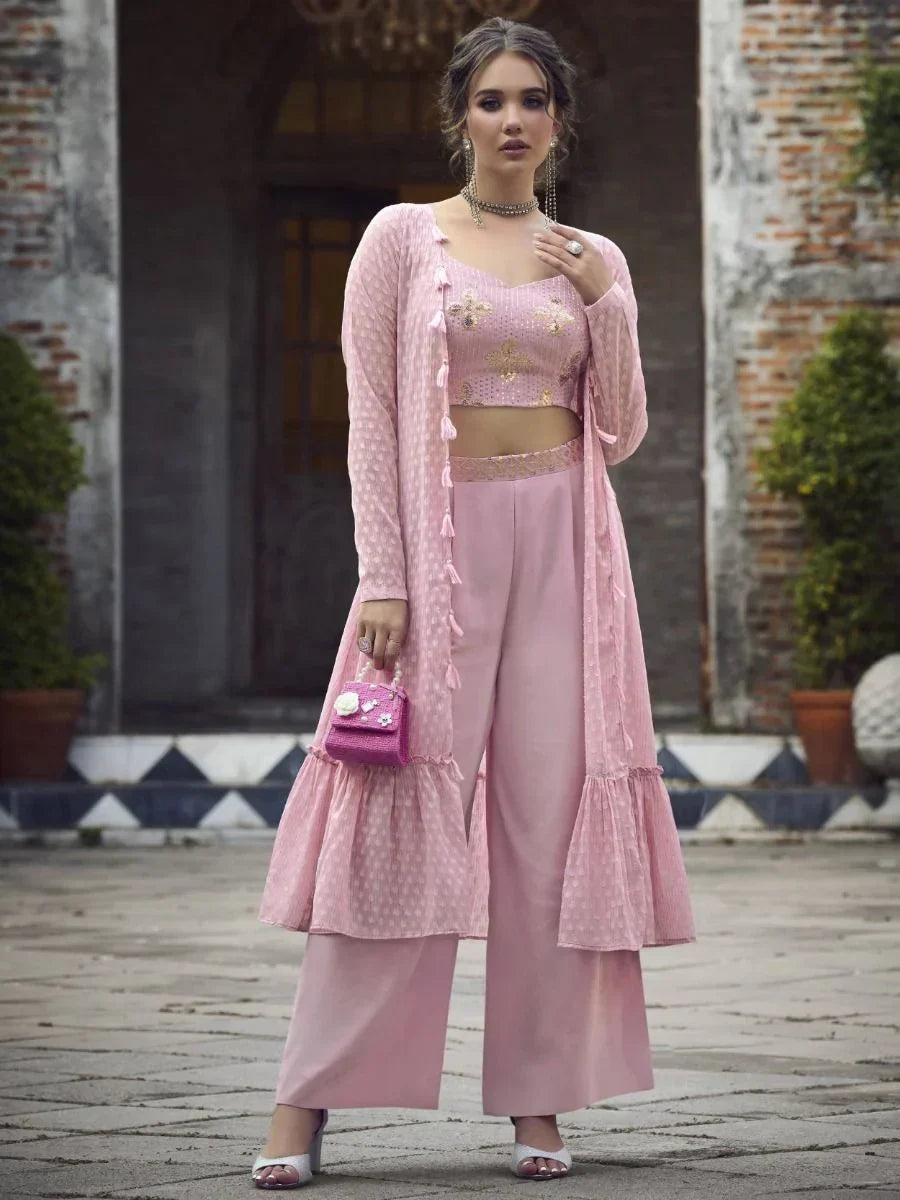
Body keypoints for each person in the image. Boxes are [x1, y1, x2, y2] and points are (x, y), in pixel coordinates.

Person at [251, 16, 696, 1189]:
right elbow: (372, 417)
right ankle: (303, 1106)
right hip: (438, 552)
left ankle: (539, 1100)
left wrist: (608, 302)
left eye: (532, 101)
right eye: (492, 99)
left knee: (548, 823)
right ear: (460, 114)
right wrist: (385, 575)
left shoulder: (592, 255)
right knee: (396, 819)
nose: (511, 120)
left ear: (559, 121)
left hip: (565, 547)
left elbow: (621, 430)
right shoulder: (401, 239)